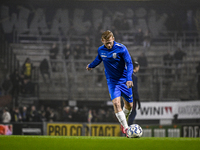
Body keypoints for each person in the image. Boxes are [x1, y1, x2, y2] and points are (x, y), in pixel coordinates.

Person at [86, 30, 133, 137]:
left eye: (110, 42)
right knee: (116, 103)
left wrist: (129, 78)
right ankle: (126, 129)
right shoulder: (100, 50)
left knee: (129, 106)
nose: (108, 45)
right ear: (102, 41)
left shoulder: (121, 48)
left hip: (124, 80)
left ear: (113, 39)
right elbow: (98, 59)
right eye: (106, 43)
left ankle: (123, 120)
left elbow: (129, 63)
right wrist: (91, 66)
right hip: (112, 81)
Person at [128, 61, 141, 126]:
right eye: (138, 67)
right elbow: (134, 89)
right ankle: (128, 128)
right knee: (133, 112)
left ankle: (125, 127)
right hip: (132, 98)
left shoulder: (128, 75)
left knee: (128, 113)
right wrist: (137, 99)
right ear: (135, 68)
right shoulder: (133, 77)